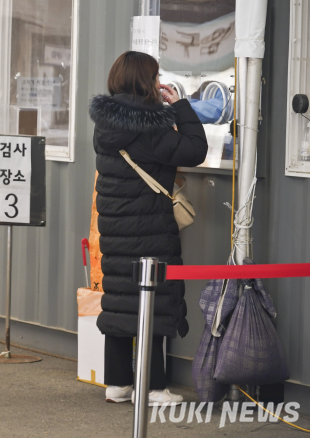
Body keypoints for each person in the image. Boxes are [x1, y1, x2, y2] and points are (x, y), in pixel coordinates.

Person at [88, 51, 207, 406]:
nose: (158, 83)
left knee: (120, 299)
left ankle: (118, 384)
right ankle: (153, 388)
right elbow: (195, 150)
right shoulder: (151, 127)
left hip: (114, 228)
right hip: (149, 227)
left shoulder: (105, 125)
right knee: (152, 301)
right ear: (145, 82)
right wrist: (181, 106)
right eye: (155, 77)